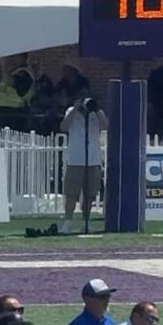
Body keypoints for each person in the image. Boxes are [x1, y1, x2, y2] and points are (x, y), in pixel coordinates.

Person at [59, 97, 107, 234]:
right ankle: (68, 221)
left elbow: (105, 126)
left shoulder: (96, 113)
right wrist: (75, 108)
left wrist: (97, 110)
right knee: (71, 193)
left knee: (90, 193)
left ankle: (86, 221)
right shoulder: (71, 111)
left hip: (93, 159)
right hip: (75, 159)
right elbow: (63, 127)